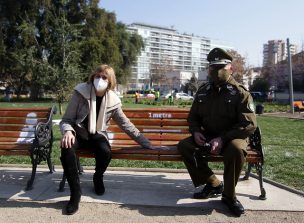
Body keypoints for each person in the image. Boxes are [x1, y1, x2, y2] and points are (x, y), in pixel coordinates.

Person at [60, 64, 164, 215]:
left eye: (104, 77)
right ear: (92, 77)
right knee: (66, 148)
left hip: (97, 134)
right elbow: (66, 120)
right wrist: (68, 132)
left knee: (105, 151)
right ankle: (75, 194)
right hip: (78, 132)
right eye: (97, 76)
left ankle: (98, 177)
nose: (100, 80)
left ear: (110, 82)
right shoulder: (80, 92)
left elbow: (126, 124)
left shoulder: (113, 100)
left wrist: (147, 143)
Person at [177, 48, 257, 217]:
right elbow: (193, 118)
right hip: (208, 135)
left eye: (221, 67)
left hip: (233, 137)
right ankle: (213, 183)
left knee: (236, 149)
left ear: (231, 69)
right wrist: (196, 131)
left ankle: (229, 196)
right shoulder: (203, 91)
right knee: (185, 146)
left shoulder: (240, 93)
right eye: (213, 67)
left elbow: (249, 124)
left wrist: (222, 139)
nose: (216, 71)